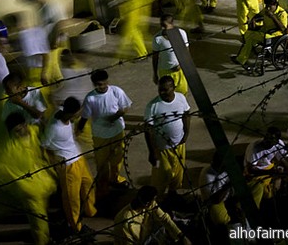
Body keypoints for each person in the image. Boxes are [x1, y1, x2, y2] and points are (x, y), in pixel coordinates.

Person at [0, 113, 57, 245]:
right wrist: (18, 186)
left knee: (43, 216)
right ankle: (42, 241)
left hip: (46, 183)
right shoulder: (9, 150)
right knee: (38, 220)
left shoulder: (35, 131)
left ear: (25, 125)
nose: (17, 134)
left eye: (19, 130)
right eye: (14, 132)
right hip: (30, 191)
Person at [41, 97, 96, 235]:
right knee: (72, 198)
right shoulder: (54, 128)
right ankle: (75, 225)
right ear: (72, 113)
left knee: (88, 184)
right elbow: (44, 145)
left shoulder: (61, 112)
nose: (79, 116)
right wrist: (55, 163)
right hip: (68, 165)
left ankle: (90, 210)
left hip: (78, 157)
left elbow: (57, 104)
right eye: (78, 113)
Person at [78, 69, 132, 197]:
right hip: (100, 135)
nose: (100, 87)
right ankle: (103, 187)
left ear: (107, 81)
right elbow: (85, 116)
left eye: (102, 84)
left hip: (117, 132)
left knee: (117, 158)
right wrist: (79, 129)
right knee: (101, 163)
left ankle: (115, 179)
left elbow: (125, 106)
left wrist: (118, 115)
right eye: (97, 84)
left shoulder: (116, 91)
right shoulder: (90, 98)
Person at [144, 76, 191, 198]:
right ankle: (156, 198)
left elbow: (186, 114)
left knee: (178, 172)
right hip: (161, 149)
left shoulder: (180, 98)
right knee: (161, 173)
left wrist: (186, 133)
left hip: (179, 144)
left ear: (173, 88)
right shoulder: (153, 106)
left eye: (165, 89)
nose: (162, 93)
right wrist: (152, 151)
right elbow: (148, 130)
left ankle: (172, 193)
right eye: (160, 90)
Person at [114, 186, 191, 245]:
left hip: (147, 237)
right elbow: (129, 242)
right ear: (147, 203)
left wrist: (182, 236)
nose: (155, 202)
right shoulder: (125, 220)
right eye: (153, 200)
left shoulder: (150, 205)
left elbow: (165, 219)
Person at [230, 0, 288, 70]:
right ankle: (241, 59)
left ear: (275, 5)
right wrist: (253, 20)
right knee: (249, 38)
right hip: (265, 30)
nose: (268, 8)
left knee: (250, 36)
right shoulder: (266, 10)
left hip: (274, 35)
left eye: (270, 6)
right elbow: (259, 15)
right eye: (266, 6)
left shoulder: (282, 13)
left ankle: (243, 56)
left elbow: (283, 28)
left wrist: (273, 16)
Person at [244, 127, 288, 207]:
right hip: (257, 171)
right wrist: (271, 172)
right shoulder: (254, 148)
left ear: (276, 141)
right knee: (267, 193)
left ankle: (279, 185)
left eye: (270, 139)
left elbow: (283, 159)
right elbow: (250, 170)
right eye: (266, 137)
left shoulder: (279, 144)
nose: (266, 141)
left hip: (270, 167)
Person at [152, 14, 189, 95]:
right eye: (161, 25)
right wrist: (155, 73)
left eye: (165, 26)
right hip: (165, 71)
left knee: (183, 91)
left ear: (172, 24)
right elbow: (155, 57)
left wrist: (182, 64)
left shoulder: (181, 33)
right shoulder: (157, 38)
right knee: (168, 94)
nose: (162, 28)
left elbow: (186, 51)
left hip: (180, 71)